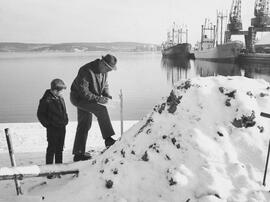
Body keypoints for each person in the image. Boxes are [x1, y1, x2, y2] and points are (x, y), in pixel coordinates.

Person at [70, 54, 117, 162]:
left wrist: (106, 94)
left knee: (84, 124)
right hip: (79, 98)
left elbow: (105, 84)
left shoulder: (104, 71)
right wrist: (98, 99)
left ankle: (78, 154)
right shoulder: (85, 70)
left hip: (89, 98)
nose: (108, 71)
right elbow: (83, 92)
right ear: (102, 63)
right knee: (101, 110)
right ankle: (108, 139)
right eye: (108, 69)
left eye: (110, 70)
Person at [37, 79, 69, 165]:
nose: (62, 93)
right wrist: (49, 125)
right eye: (61, 91)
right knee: (52, 148)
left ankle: (59, 167)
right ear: (55, 90)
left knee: (60, 148)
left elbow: (64, 111)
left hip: (62, 127)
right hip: (52, 128)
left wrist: (66, 120)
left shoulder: (60, 98)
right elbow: (40, 115)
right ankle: (49, 170)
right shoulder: (46, 100)